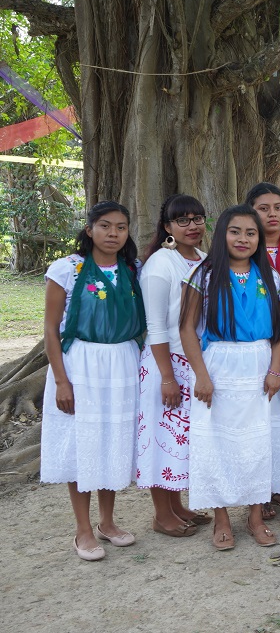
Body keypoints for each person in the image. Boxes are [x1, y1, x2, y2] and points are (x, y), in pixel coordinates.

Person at [41, 201, 146, 560]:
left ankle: (107, 522)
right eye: (105, 226)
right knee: (82, 444)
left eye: (120, 227)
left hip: (121, 364)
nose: (113, 233)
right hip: (81, 365)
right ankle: (82, 530)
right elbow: (51, 331)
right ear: (89, 230)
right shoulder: (68, 269)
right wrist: (61, 381)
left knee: (112, 440)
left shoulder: (132, 269)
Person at [179, 205, 280, 550]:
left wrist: (274, 370)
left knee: (258, 443)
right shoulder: (204, 273)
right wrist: (202, 376)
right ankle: (221, 518)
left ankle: (255, 516)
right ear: (222, 234)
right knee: (218, 442)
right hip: (219, 365)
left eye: (250, 233)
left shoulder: (269, 275)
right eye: (235, 231)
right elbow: (187, 329)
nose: (243, 239)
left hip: (260, 365)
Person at [135, 195, 209, 538]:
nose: (192, 226)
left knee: (179, 441)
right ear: (168, 228)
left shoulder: (206, 261)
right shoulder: (160, 264)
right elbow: (156, 324)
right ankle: (161, 513)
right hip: (165, 362)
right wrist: (167, 376)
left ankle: (177, 505)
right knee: (161, 438)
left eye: (198, 219)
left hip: (192, 360)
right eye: (183, 221)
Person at [245, 182, 280, 519]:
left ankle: (279, 485)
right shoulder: (241, 247)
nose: (271, 214)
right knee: (259, 419)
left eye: (278, 208)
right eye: (263, 208)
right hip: (253, 345)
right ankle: (258, 491)